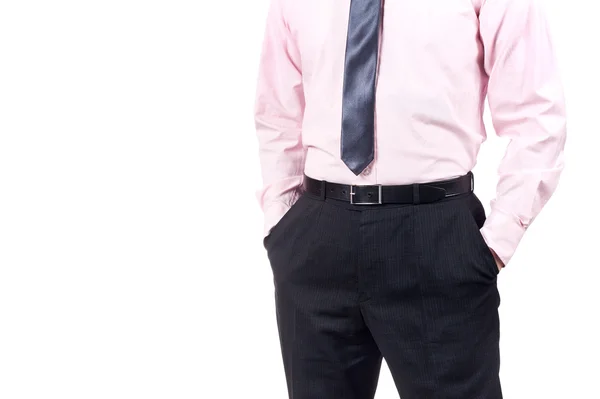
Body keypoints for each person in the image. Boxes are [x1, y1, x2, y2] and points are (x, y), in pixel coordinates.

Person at [253, 0, 566, 397]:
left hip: (435, 236)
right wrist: (280, 223)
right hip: (317, 235)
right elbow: (277, 112)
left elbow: (536, 117)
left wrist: (496, 243)